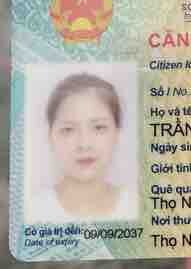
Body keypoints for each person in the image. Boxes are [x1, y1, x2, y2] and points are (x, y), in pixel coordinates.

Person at [31, 73, 136, 222]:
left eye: (99, 127)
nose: (84, 144)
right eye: (68, 130)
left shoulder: (136, 207)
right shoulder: (33, 211)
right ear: (50, 136)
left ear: (117, 133)